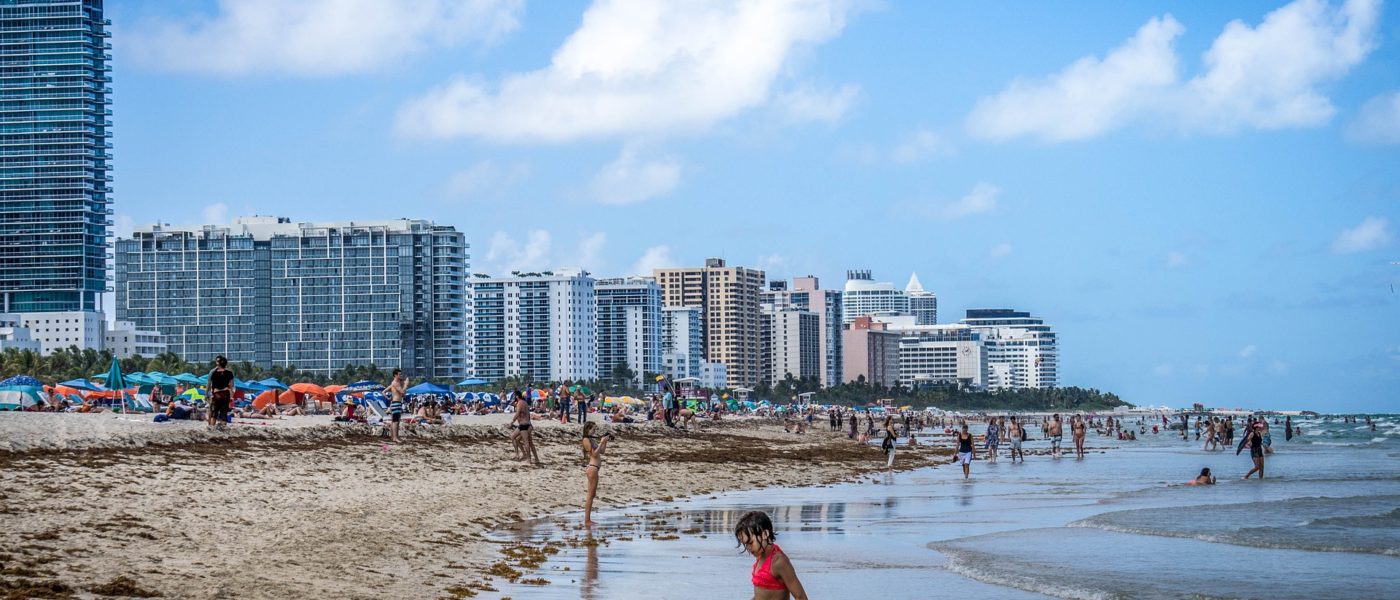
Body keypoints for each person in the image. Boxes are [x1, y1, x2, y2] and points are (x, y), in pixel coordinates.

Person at [735, 511, 808, 600]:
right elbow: (761, 595)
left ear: (765, 534)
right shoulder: (760, 557)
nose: (748, 548)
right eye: (745, 544)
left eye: (750, 542)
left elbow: (801, 597)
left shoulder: (779, 562)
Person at [580, 421, 613, 527]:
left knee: (592, 494)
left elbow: (601, 451)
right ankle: (587, 520)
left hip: (595, 468)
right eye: (593, 429)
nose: (594, 431)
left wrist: (604, 442)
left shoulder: (591, 439)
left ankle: (588, 519)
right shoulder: (585, 440)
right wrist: (601, 442)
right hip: (592, 468)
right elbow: (594, 454)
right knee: (590, 495)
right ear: (588, 429)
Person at [206, 355, 233, 429]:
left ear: (218, 363)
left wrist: (206, 394)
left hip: (216, 394)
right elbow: (231, 386)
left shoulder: (213, 372)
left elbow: (209, 384)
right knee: (224, 413)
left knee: (214, 413)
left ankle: (212, 428)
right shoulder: (229, 373)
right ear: (226, 364)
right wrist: (231, 396)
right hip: (225, 394)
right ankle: (223, 429)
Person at [515, 387, 539, 464]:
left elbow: (518, 413)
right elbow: (527, 414)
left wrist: (512, 422)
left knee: (526, 442)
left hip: (523, 425)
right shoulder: (525, 402)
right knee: (517, 439)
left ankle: (528, 458)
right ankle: (535, 458)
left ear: (517, 396)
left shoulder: (519, 403)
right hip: (528, 424)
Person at [385, 369, 406, 443]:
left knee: (396, 421)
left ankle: (394, 437)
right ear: (395, 375)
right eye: (399, 374)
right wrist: (406, 384)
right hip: (396, 403)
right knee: (395, 421)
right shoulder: (395, 383)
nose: (401, 375)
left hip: (397, 402)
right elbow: (402, 392)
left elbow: (402, 394)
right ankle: (395, 437)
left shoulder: (396, 383)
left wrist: (389, 398)